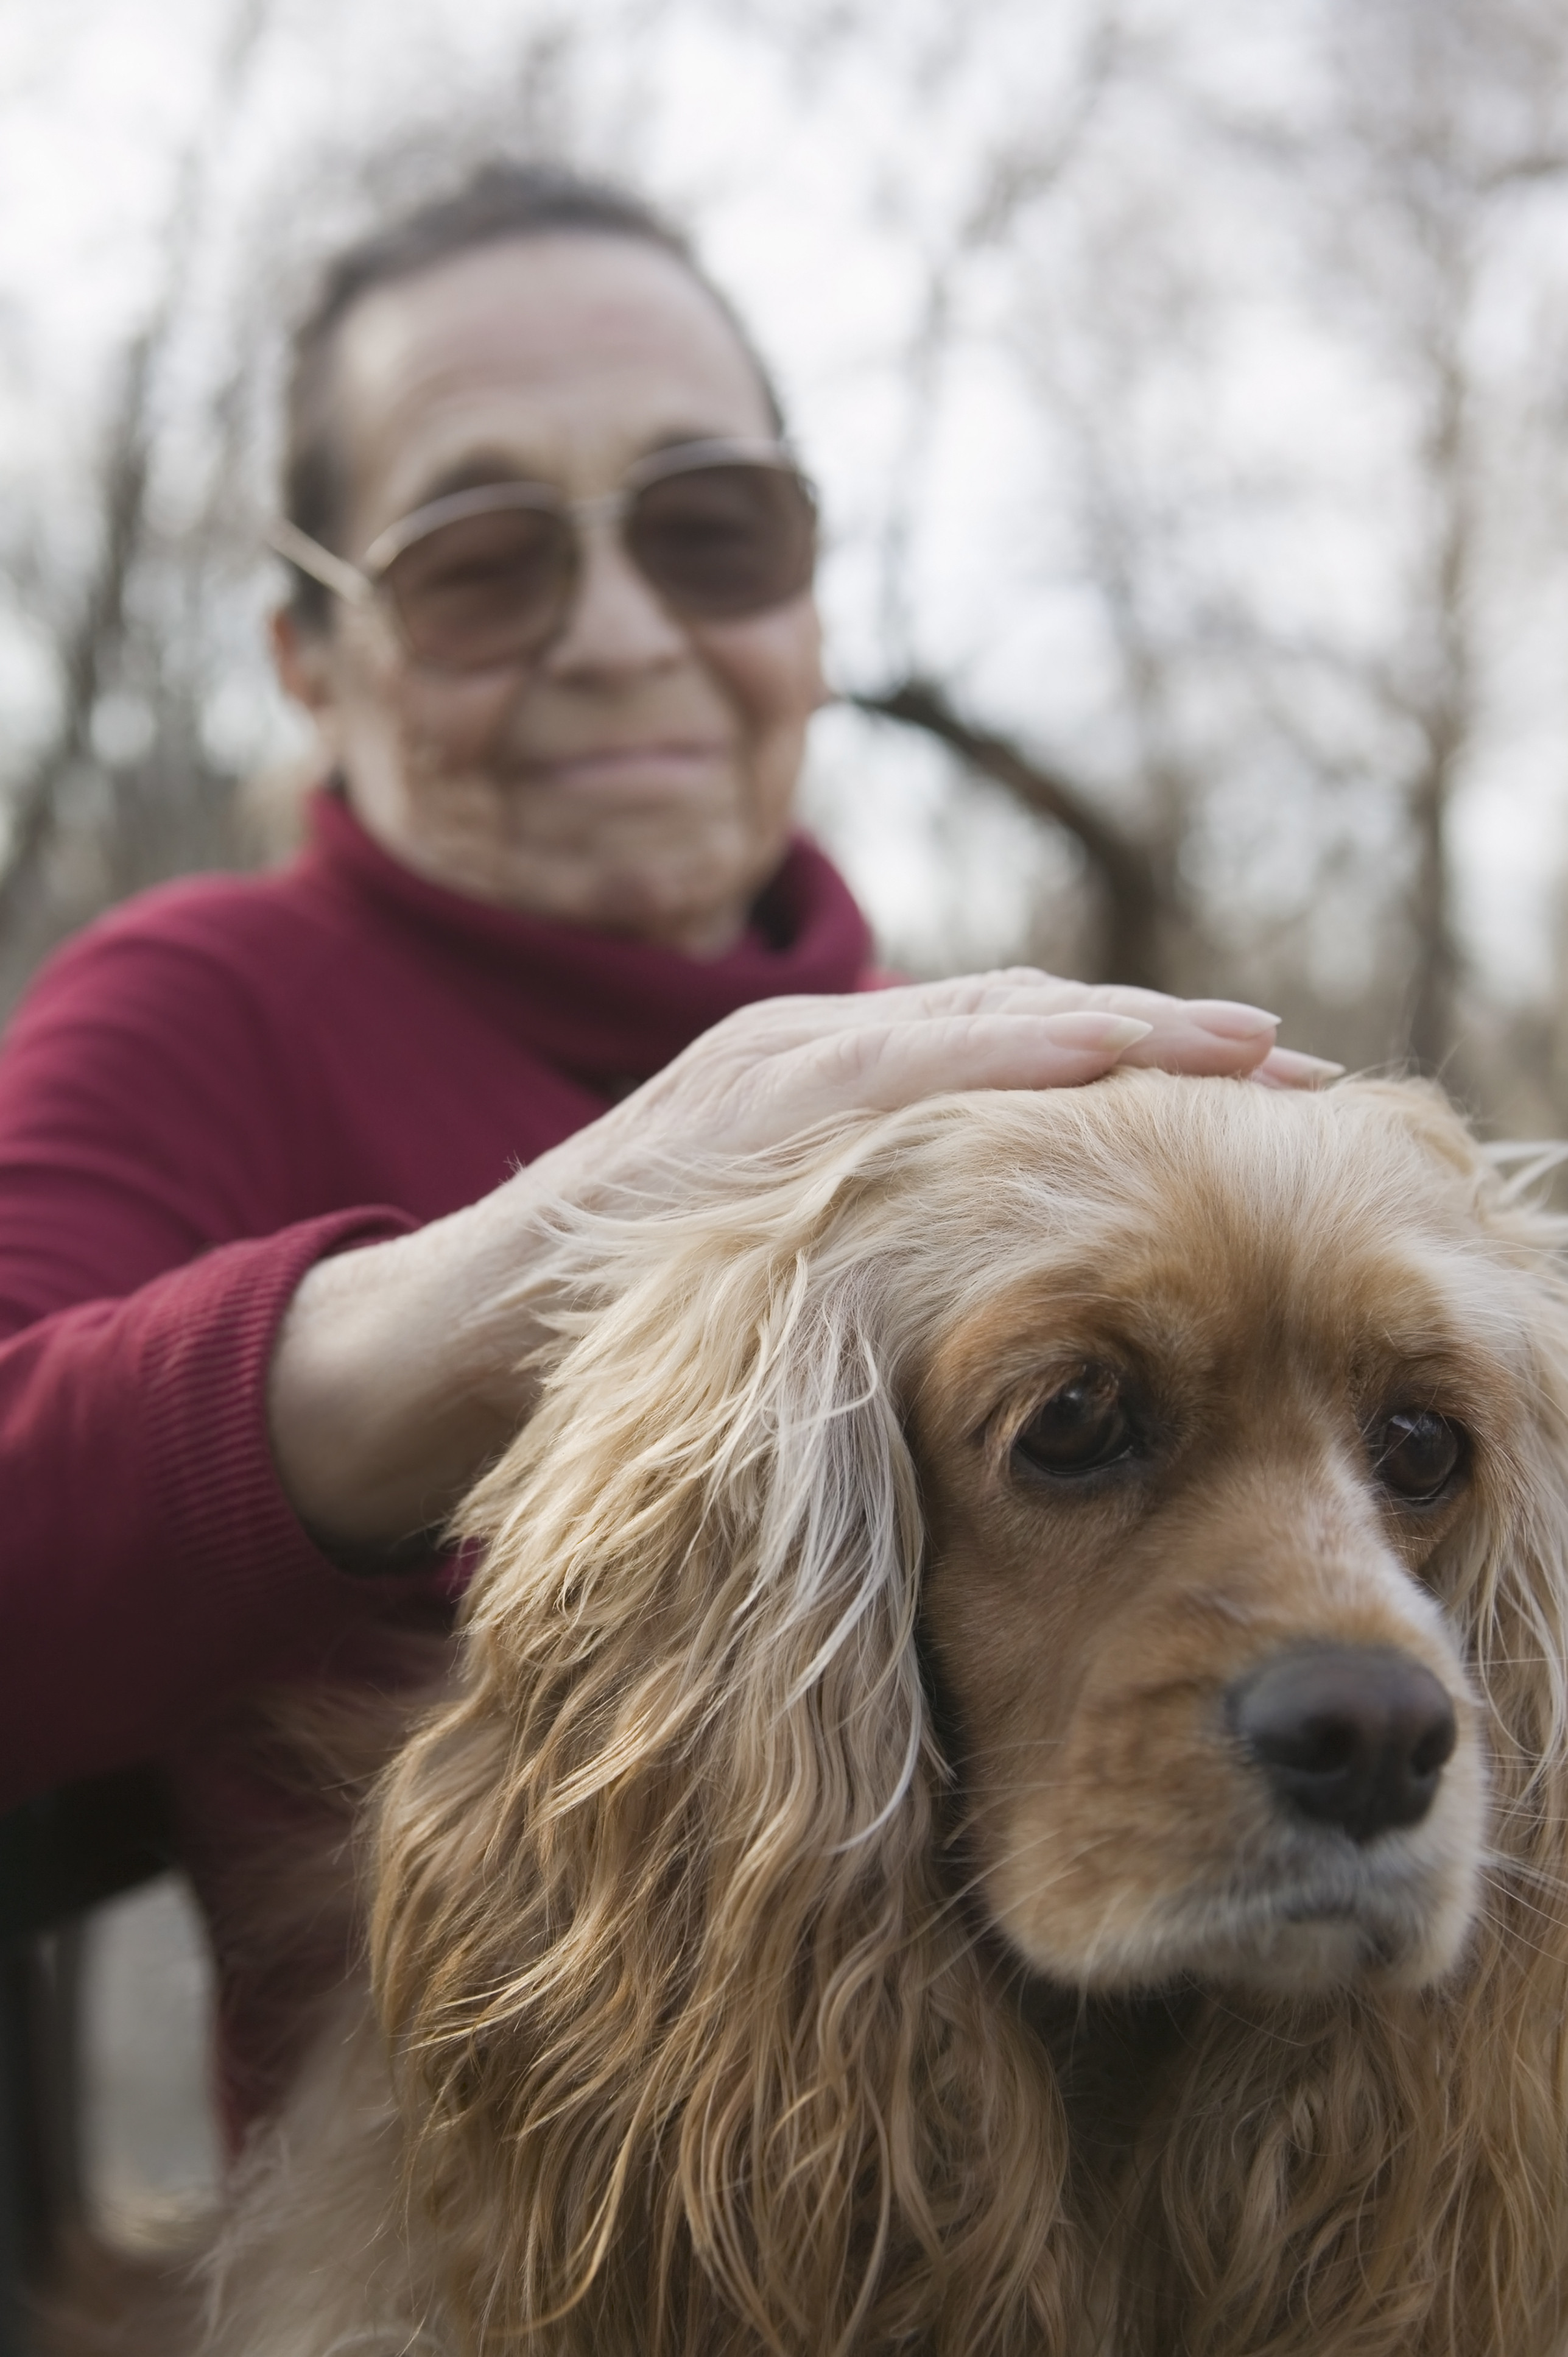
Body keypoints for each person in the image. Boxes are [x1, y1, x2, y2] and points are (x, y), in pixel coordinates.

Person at [0, 163, 1332, 2137]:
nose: (623, 635)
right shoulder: (206, 1004)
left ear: (804, 602)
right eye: (479, 561)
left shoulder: (1012, 1077)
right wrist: (528, 1276)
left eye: (714, 534)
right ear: (309, 661)